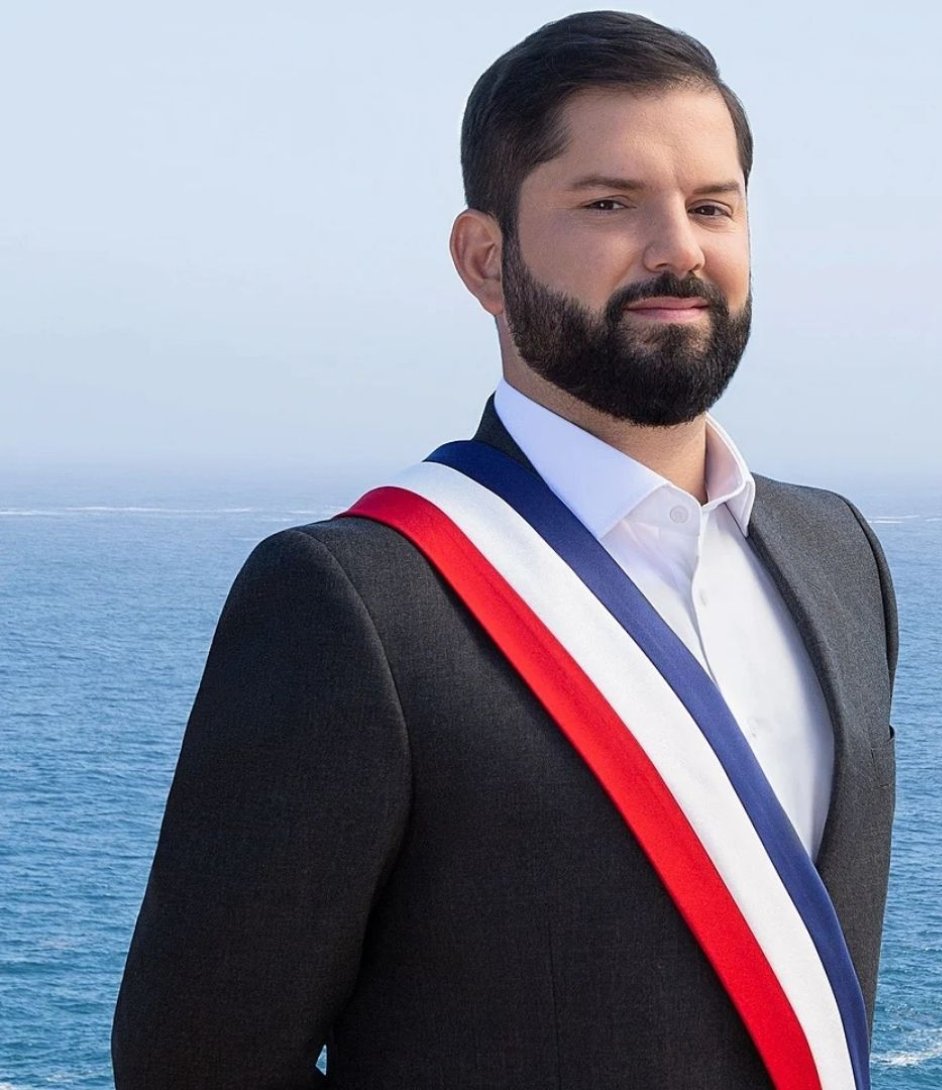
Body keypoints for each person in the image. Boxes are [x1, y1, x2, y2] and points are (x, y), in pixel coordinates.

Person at [113, 11, 897, 1089]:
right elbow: (193, 1064)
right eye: (610, 203)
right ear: (487, 259)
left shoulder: (837, 555)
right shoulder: (357, 600)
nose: (679, 247)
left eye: (712, 205)